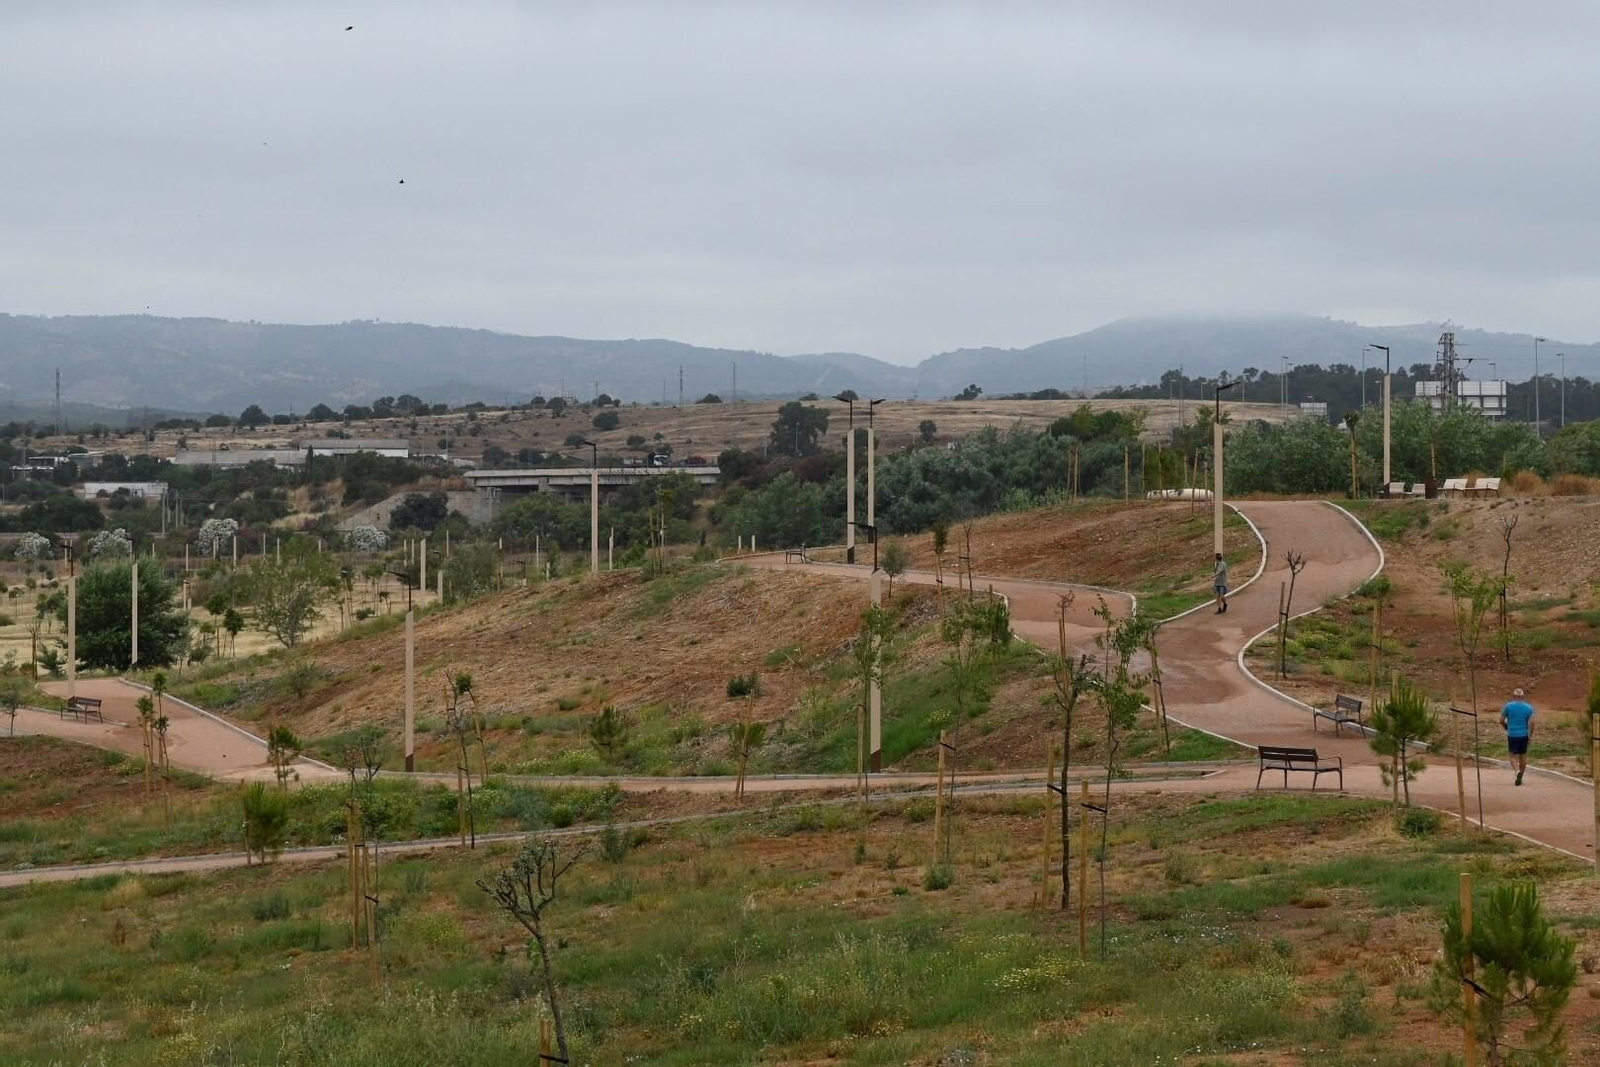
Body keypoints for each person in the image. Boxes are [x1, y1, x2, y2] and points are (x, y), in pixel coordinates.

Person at [1500, 688, 1535, 786]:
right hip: (1524, 735)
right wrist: (1530, 735)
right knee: (1523, 757)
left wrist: (1507, 727)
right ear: (1523, 697)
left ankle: (1516, 772)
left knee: (1512, 756)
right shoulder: (1528, 707)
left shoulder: (1508, 706)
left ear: (1513, 696)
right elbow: (1532, 722)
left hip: (1512, 734)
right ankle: (1521, 777)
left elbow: (1501, 720)